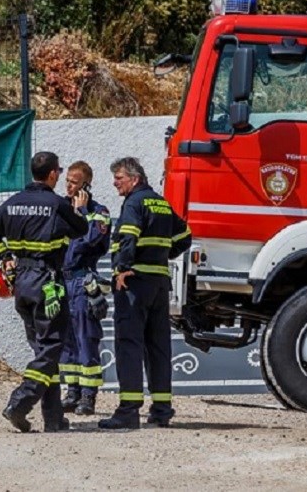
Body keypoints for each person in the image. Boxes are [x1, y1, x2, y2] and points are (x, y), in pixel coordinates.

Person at [0, 152, 88, 433]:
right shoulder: (56, 203)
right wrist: (78, 209)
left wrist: (4, 256)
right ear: (52, 174)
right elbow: (81, 230)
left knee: (43, 351)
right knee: (52, 347)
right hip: (49, 282)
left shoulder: (13, 202)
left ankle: (53, 419)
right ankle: (20, 401)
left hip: (22, 284)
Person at [99, 157, 191, 430]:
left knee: (129, 345)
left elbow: (127, 236)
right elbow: (184, 235)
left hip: (135, 283)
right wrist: (162, 255)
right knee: (158, 346)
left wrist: (122, 268)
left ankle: (128, 410)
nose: (115, 183)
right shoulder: (161, 202)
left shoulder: (134, 203)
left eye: (119, 178)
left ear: (134, 178)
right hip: (159, 284)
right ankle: (161, 410)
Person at [58, 161, 112, 416]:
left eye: (74, 182)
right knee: (67, 341)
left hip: (82, 281)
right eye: (67, 180)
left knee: (85, 340)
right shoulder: (59, 208)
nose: (68, 186)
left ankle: (88, 397)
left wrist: (80, 214)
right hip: (60, 281)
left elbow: (89, 241)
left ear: (86, 185)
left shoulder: (98, 212)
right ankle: (72, 392)